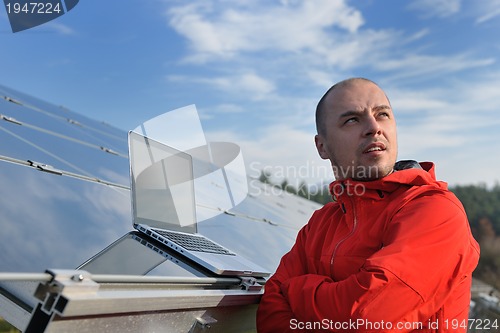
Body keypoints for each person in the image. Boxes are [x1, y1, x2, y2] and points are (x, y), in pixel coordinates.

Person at [256, 78, 480, 332]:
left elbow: (366, 317)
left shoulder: (435, 211)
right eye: (352, 119)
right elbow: (270, 309)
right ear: (322, 146)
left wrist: (295, 290)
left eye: (382, 114)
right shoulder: (320, 224)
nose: (374, 128)